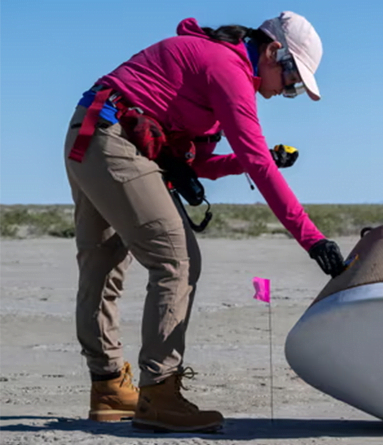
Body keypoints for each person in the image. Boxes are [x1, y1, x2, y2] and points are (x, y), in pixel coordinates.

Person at [63, 11, 345, 433]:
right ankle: (159, 392)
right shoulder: (227, 68)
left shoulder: (216, 65)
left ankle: (107, 387)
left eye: (294, 90)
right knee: (178, 261)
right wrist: (313, 239)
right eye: (290, 82)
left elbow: (207, 163)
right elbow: (256, 163)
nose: (285, 91)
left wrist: (262, 160)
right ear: (272, 51)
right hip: (113, 140)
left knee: (103, 267)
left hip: (88, 134)